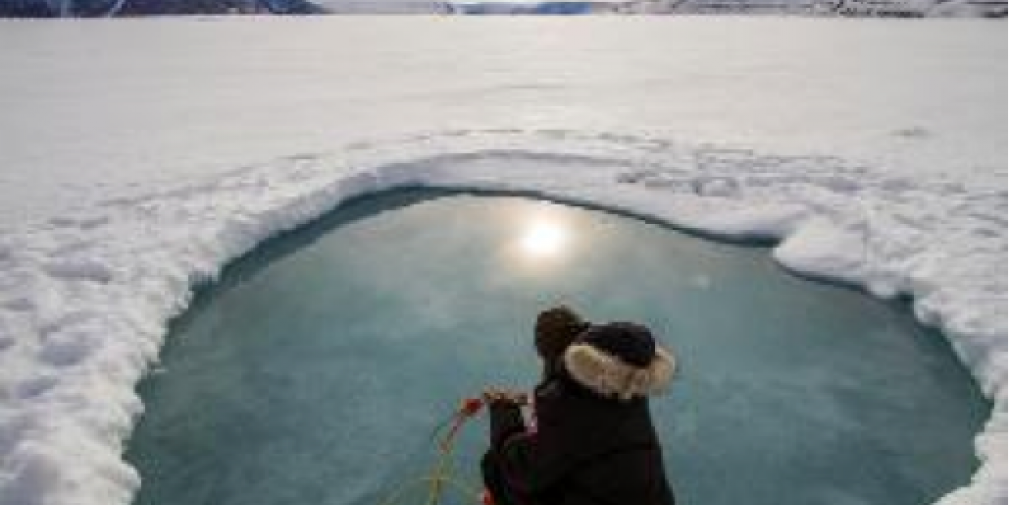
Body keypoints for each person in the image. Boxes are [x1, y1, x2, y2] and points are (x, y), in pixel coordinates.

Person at [481, 319, 677, 505]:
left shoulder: (572, 406)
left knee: (495, 467)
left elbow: (522, 468)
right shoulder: (631, 399)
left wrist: (503, 411)